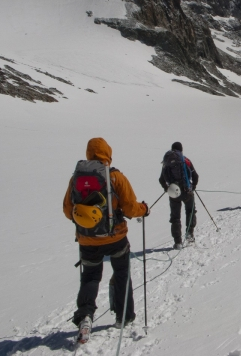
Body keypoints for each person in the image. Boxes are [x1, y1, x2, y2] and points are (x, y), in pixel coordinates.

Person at [63, 137, 149, 341]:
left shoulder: (76, 177)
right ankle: (124, 316)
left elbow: (68, 210)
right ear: (108, 153)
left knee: (90, 277)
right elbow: (129, 207)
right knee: (121, 273)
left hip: (87, 240)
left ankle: (85, 316)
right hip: (115, 237)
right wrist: (144, 210)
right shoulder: (115, 177)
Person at [159, 142, 199, 248]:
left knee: (175, 217)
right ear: (181, 150)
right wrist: (193, 186)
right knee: (190, 211)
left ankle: (177, 242)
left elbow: (161, 179)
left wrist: (167, 189)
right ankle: (189, 233)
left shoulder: (167, 162)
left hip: (173, 193)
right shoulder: (185, 160)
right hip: (187, 191)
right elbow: (195, 176)